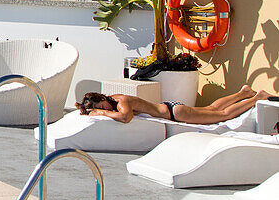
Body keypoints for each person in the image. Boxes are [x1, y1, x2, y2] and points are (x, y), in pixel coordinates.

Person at [76, 85, 272, 125]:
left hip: (174, 113)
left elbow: (125, 118)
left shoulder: (121, 103)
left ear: (102, 100)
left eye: (102, 106)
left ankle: (256, 98)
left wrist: (102, 113)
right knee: (213, 109)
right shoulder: (113, 98)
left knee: (223, 115)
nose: (105, 109)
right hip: (172, 108)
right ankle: (243, 92)